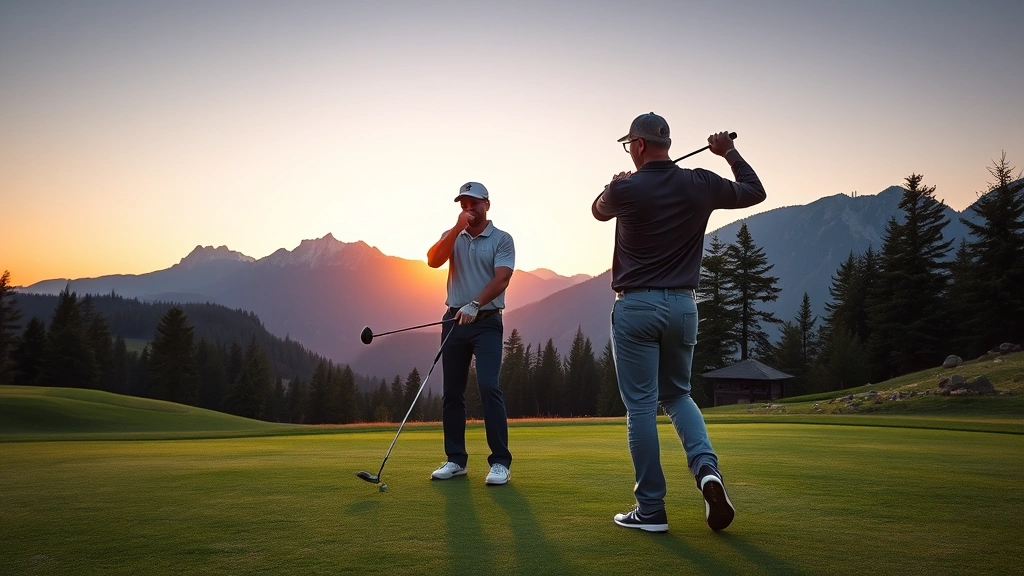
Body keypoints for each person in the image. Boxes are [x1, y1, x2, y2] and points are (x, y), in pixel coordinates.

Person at [591, 112, 766, 532]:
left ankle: (651, 510)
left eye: (628, 145)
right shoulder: (700, 182)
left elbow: (598, 211)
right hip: (684, 307)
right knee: (678, 396)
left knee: (640, 409)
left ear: (638, 146)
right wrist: (729, 152)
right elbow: (754, 192)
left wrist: (611, 184)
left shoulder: (624, 189)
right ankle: (707, 473)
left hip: (636, 308)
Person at [426, 181, 515, 486]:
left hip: (487, 322)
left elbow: (502, 279)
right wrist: (456, 228)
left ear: (487, 205)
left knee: (489, 386)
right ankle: (455, 460)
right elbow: (434, 260)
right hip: (453, 321)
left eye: (474, 203)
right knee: (452, 392)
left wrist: (476, 304)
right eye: (463, 203)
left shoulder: (502, 239)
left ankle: (500, 462)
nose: (469, 208)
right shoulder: (452, 236)